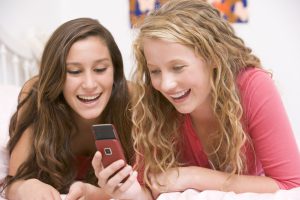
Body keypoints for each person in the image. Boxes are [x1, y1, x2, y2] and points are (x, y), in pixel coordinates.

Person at [93, 0, 300, 199]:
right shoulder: (155, 103)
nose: (165, 85)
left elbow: (291, 185)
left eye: (178, 67)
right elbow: (150, 190)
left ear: (214, 57)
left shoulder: (253, 86)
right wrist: (127, 191)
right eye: (155, 71)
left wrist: (193, 176)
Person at [1, 17, 134, 200]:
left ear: (115, 70)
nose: (89, 84)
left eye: (100, 69)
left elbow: (151, 183)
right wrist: (27, 187)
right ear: (56, 76)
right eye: (74, 71)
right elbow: (13, 182)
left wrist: (95, 194)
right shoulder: (35, 95)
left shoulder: (133, 98)